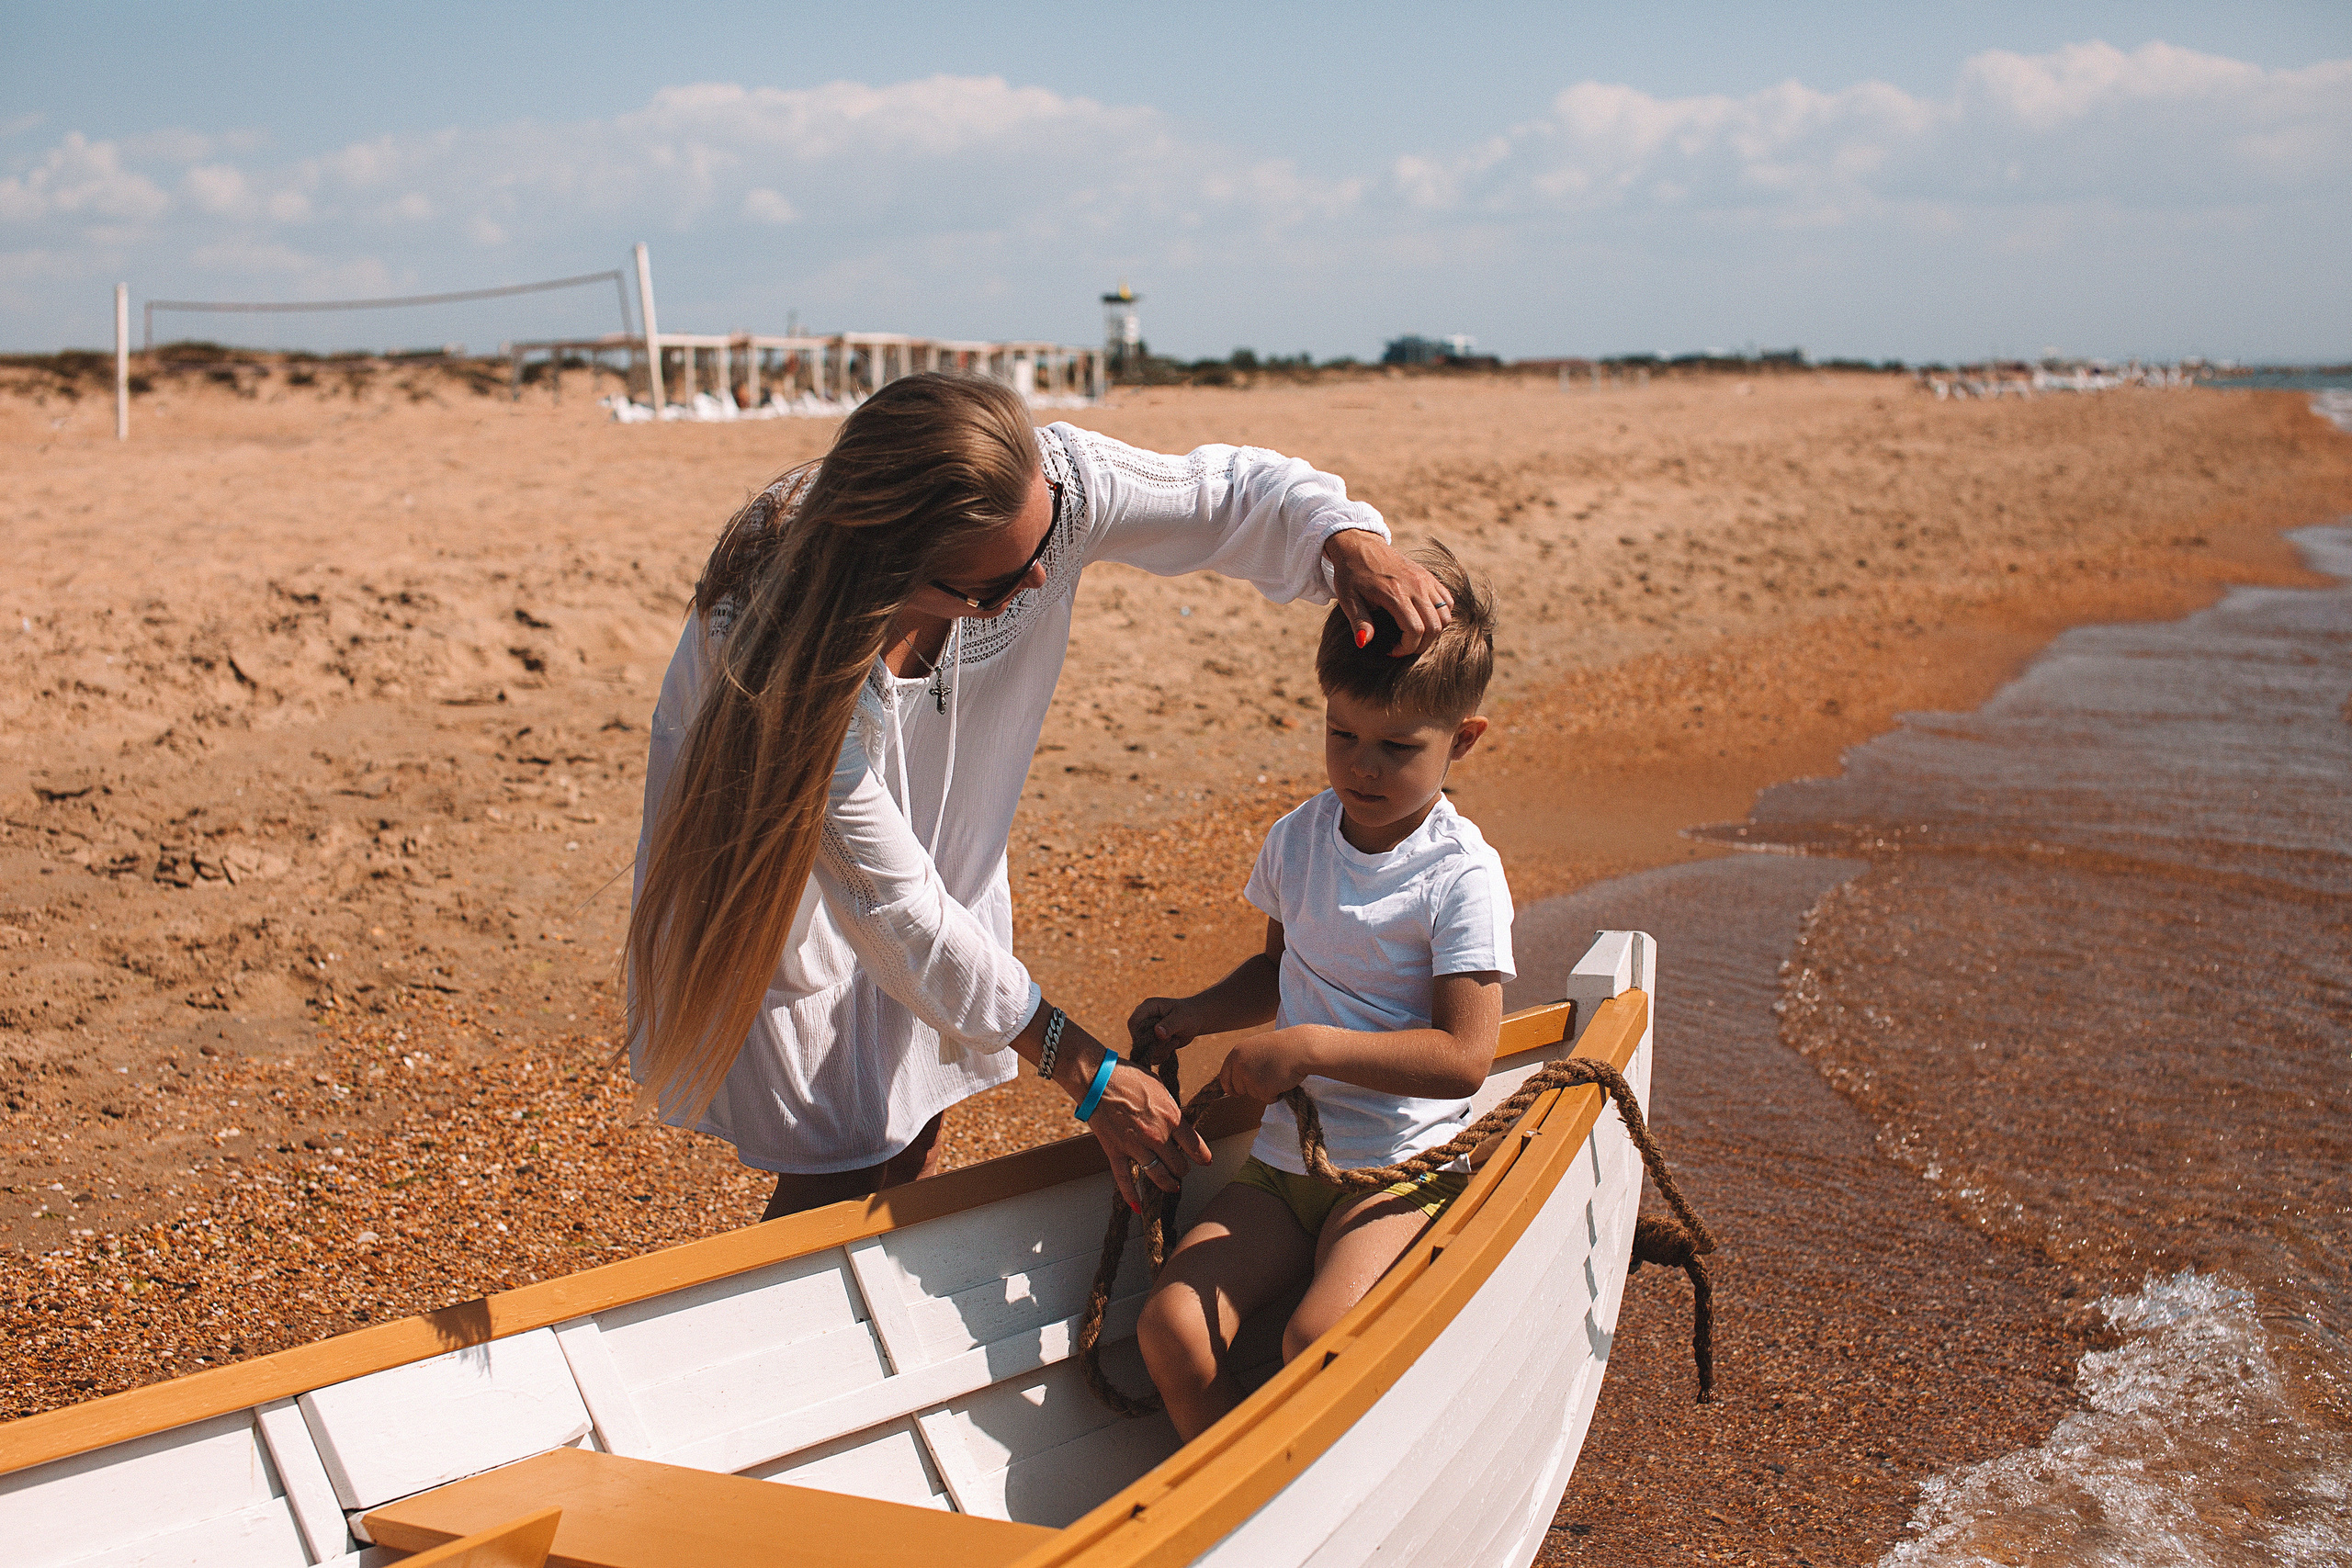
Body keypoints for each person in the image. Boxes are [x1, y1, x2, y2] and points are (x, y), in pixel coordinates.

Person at [627, 372, 1456, 1221]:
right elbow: (895, 910)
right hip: (782, 855)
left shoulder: (1059, 490)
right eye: (992, 588)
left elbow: (1227, 494)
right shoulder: (783, 664)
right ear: (894, 573)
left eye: (1044, 547)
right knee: (841, 1143)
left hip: (941, 827)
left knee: (913, 1113)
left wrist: (1348, 540)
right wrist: (1088, 1071)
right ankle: (796, 1329)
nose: (1034, 584)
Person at [1128, 544, 1510, 1440]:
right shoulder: (1299, 839)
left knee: (1318, 1339)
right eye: (1342, 736)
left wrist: (1305, 1049)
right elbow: (1274, 972)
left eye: (1395, 748)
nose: (1362, 768)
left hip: (1397, 1170)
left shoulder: (1461, 877)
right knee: (1170, 1326)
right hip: (1284, 1166)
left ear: (1463, 740)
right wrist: (1189, 1015)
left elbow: (1465, 1058)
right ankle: (1224, 1492)